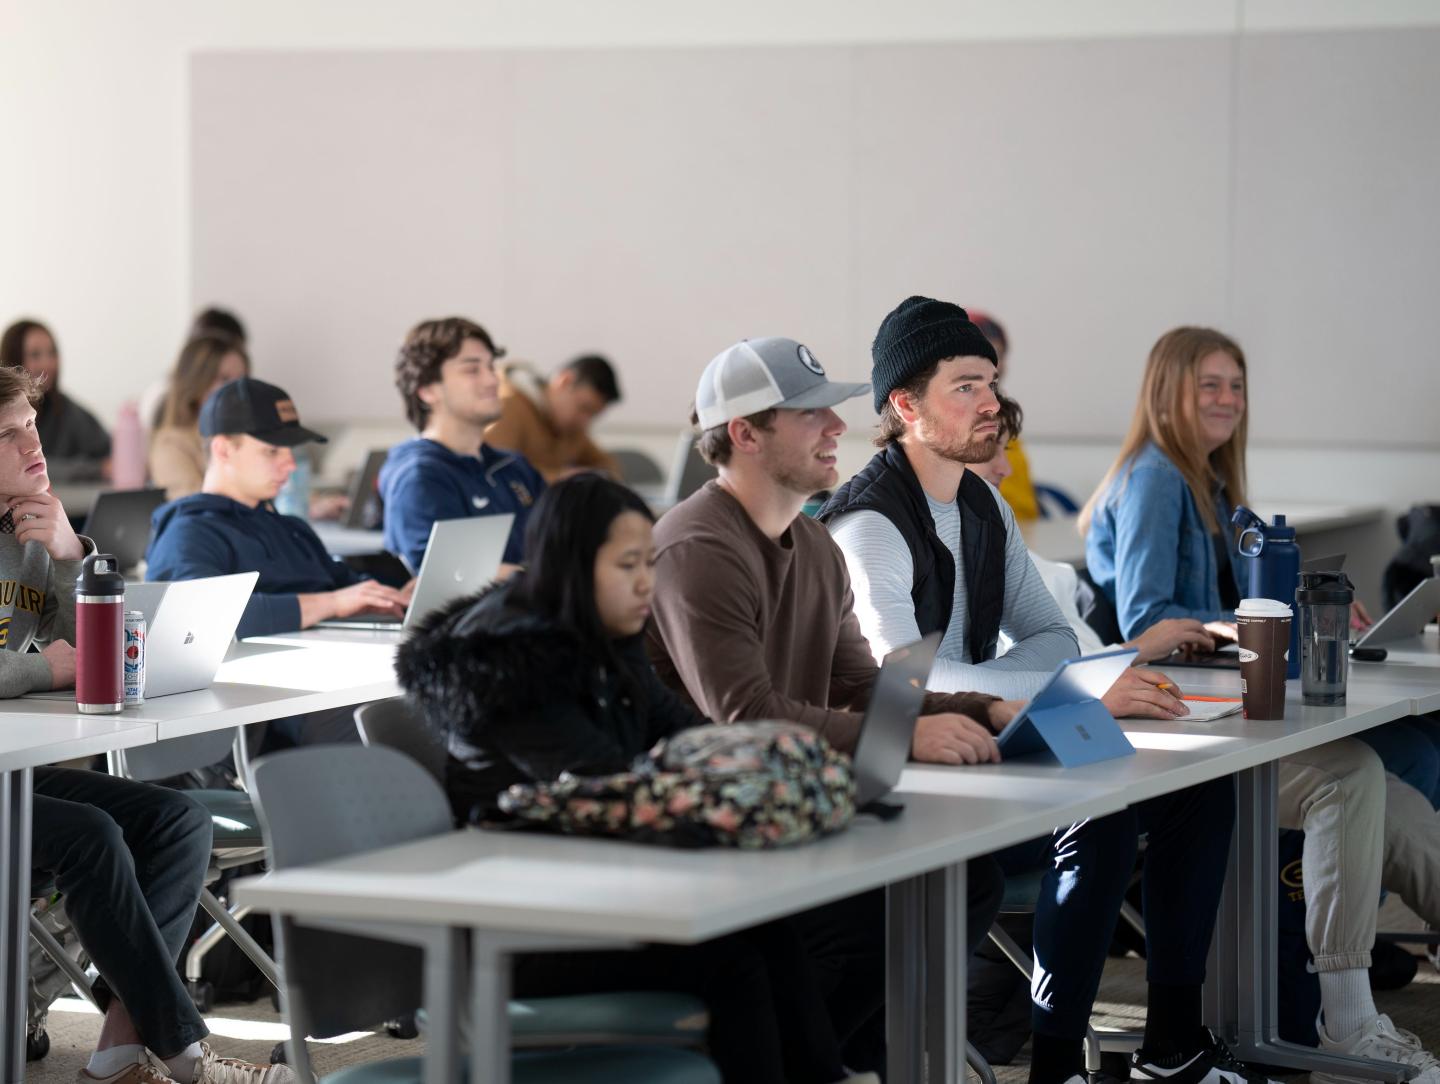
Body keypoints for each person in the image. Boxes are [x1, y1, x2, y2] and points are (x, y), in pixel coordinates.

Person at [824, 298, 1244, 1084]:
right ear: (905, 407)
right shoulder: (869, 524)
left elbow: (1050, 634)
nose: (991, 401)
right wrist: (1063, 695)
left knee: (1198, 788)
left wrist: (1049, 693)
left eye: (990, 381)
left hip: (999, 737)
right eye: (965, 387)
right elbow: (903, 684)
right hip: (915, 765)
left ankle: (1173, 1045)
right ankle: (1057, 1066)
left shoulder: (980, 503)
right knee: (1103, 810)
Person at [397, 474, 877, 1084]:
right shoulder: (505, 668)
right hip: (518, 926)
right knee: (733, 963)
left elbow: (684, 734)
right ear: (571, 566)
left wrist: (758, 759)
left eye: (649, 561)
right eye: (628, 565)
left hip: (599, 888)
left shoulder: (601, 630)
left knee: (773, 931)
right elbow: (612, 784)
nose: (647, 582)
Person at [1082, 327, 1440, 1077]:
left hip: (1230, 718)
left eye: (1236, 386)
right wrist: (1241, 622)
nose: (1227, 400)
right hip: (1188, 738)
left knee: (1399, 782)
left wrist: (1314, 607)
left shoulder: (1210, 485)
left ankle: (1349, 1009)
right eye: (1209, 384)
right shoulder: (1155, 480)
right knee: (1378, 766)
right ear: (1167, 392)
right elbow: (1149, 621)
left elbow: (1235, 602)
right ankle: (1343, 1012)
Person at [645, 335, 1008, 1073]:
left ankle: (821, 1056)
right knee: (897, 905)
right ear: (746, 434)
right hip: (710, 839)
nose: (838, 427)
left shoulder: (813, 548)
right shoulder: (695, 548)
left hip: (789, 812)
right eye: (811, 413)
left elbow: (860, 683)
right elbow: (744, 716)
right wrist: (907, 738)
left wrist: (979, 710)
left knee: (966, 879)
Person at [0, 366, 289, 1084]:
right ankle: (188, 1058)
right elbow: (56, 666)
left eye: (31, 425)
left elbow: (92, 657)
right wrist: (46, 669)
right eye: (8, 436)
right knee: (92, 837)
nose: (33, 445)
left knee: (178, 822)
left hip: (13, 776)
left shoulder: (35, 532)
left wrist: (72, 559)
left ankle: (121, 1053)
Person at [145, 377, 408, 746]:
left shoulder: (290, 528)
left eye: (291, 451)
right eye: (272, 451)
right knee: (395, 720)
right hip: (269, 714)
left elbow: (348, 588)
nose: (290, 464)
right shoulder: (190, 533)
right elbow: (202, 625)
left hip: (331, 683)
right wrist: (330, 603)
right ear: (223, 450)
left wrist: (394, 597)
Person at [381, 317, 544, 574]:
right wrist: (553, 581)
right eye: (472, 370)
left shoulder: (513, 467)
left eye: (491, 367)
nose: (493, 380)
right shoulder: (420, 476)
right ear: (427, 390)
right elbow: (448, 576)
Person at [0, 318, 110, 482]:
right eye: (35, 355)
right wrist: (96, 469)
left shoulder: (66, 409)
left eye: (52, 353)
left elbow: (108, 453)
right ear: (14, 360)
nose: (47, 364)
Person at [485, 353, 623, 482]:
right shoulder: (507, 406)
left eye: (593, 415)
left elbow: (604, 464)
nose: (584, 422)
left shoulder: (571, 427)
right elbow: (494, 471)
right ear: (564, 381)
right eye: (583, 408)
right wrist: (563, 479)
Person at [149, 334, 251, 500]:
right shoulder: (171, 445)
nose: (237, 390)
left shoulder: (251, 436)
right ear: (196, 383)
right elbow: (197, 509)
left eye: (242, 380)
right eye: (224, 379)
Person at [969, 310, 1040, 519]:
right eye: (985, 353)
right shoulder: (958, 423)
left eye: (999, 354)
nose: (996, 363)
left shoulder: (1005, 415)